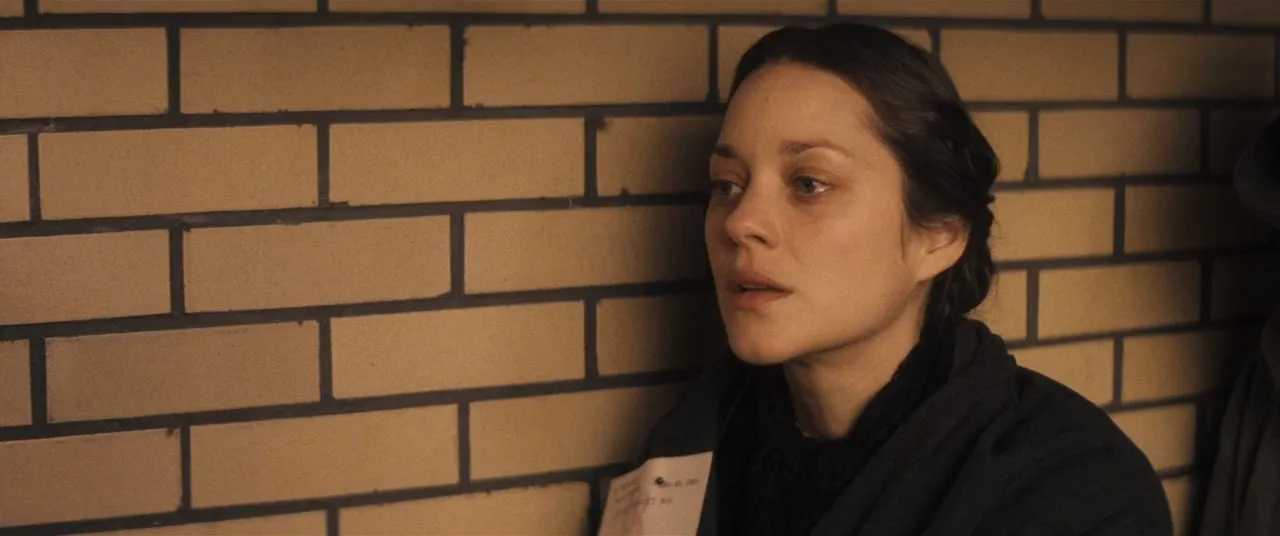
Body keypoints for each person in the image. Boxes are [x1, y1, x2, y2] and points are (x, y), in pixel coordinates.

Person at [619, 23, 1172, 535]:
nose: (741, 222)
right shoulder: (690, 443)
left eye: (809, 183)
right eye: (726, 185)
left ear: (939, 236)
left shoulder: (1073, 489)